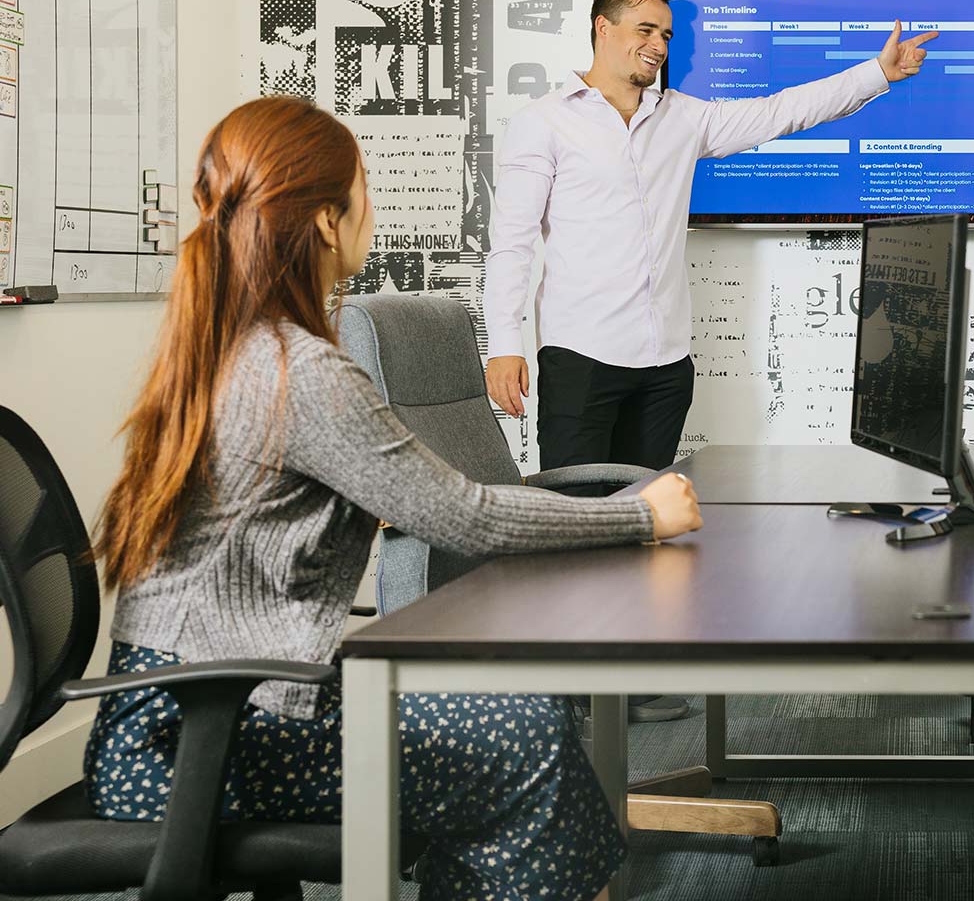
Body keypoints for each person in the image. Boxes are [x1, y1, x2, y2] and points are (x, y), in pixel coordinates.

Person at [86, 97, 705, 901]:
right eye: (364, 191)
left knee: (502, 721)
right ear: (324, 222)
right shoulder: (297, 371)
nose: (371, 208)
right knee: (525, 737)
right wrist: (639, 515)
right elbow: (463, 514)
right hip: (192, 741)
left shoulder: (237, 345)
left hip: (188, 712)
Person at [483, 0, 934, 722]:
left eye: (665, 34)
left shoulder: (683, 118)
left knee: (644, 526)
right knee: (571, 525)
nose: (657, 45)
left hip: (665, 363)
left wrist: (876, 73)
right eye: (643, 30)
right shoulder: (544, 125)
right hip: (580, 358)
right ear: (602, 28)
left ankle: (622, 690)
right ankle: (564, 696)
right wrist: (503, 344)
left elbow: (780, 113)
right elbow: (511, 244)